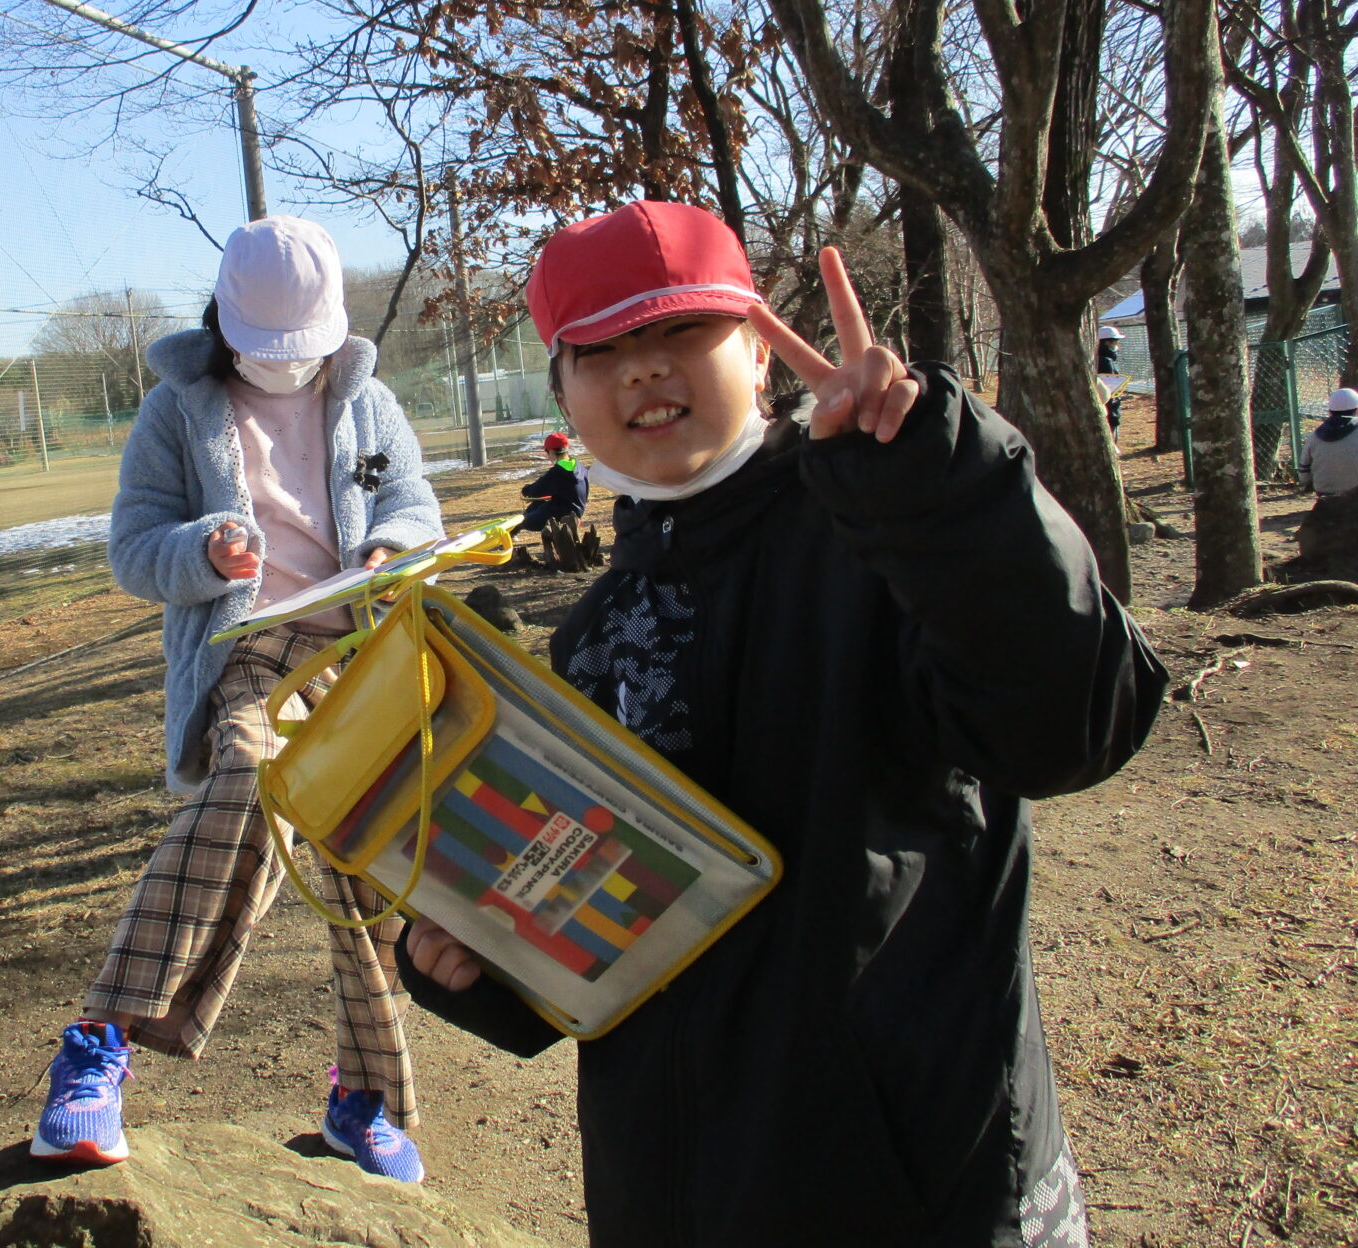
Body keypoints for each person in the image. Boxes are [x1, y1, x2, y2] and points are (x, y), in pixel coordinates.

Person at [398, 200, 1168, 1247]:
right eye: (600, 350)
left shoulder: (891, 534)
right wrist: (485, 961)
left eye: (683, 328)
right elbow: (602, 910)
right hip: (676, 1197)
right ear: (565, 390)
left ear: (760, 350)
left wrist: (937, 484)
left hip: (920, 1185)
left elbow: (1076, 726)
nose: (643, 368)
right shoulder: (594, 635)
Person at [31, 215, 445, 1181]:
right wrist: (204, 554)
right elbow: (134, 550)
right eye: (265, 346)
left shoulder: (367, 399)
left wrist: (389, 547)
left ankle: (365, 1100)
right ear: (222, 322)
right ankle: (98, 1048)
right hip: (250, 651)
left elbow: (414, 503)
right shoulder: (175, 410)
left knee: (373, 866)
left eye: (303, 346)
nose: (286, 364)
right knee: (250, 779)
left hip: (361, 656)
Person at [517, 431, 589, 534]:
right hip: (577, 512)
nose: (547, 456)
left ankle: (513, 530)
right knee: (537, 504)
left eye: (547, 452)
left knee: (523, 521)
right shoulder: (579, 467)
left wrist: (525, 490)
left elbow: (535, 491)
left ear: (551, 452)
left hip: (561, 514)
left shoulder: (557, 472)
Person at [1300, 386, 1358, 498]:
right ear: (1356, 410)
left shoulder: (1315, 435)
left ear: (1330, 412)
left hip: (1325, 496)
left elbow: (1304, 475)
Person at [1096, 324, 1125, 433]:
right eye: (1115, 342)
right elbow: (1110, 391)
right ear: (1107, 342)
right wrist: (1114, 415)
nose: (1117, 345)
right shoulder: (1106, 361)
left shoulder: (1096, 359)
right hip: (1109, 413)